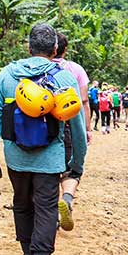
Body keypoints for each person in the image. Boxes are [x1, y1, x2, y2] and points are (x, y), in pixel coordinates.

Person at [0, 23, 86, 255]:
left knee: (23, 205)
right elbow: (76, 124)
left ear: (28, 48)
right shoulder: (64, 78)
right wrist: (78, 161)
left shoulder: (7, 75)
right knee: (46, 211)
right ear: (54, 50)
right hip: (50, 160)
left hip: (16, 157)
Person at [51, 31, 89, 232]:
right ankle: (66, 199)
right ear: (64, 49)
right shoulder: (75, 70)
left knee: (48, 171)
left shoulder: (36, 68)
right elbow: (83, 102)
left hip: (43, 125)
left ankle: (50, 213)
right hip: (67, 125)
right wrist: (87, 129)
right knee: (71, 170)